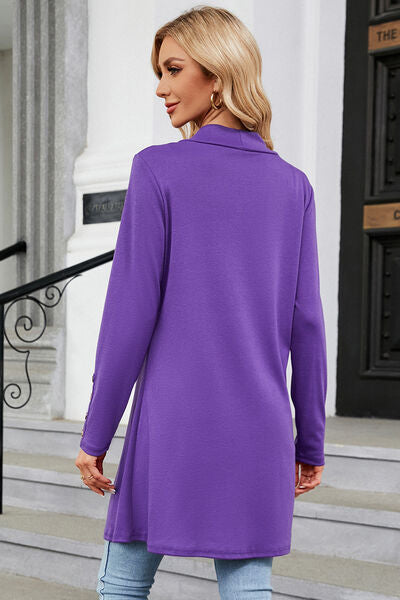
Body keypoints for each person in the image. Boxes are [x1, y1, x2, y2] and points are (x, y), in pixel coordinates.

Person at [75, 6, 327, 599]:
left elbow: (129, 316)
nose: (160, 88)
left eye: (173, 69)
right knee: (248, 590)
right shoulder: (293, 184)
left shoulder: (158, 169)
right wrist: (309, 440)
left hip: (172, 423)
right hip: (261, 428)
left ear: (217, 74)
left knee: (122, 585)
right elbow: (308, 323)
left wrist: (96, 435)